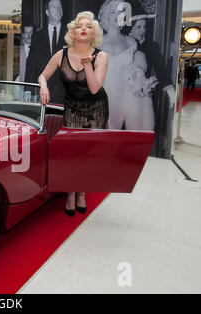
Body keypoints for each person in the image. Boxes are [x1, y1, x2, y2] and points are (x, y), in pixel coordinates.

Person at [38, 11, 109, 217]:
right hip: (73, 107)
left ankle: (81, 194)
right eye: (79, 26)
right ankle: (70, 194)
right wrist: (44, 86)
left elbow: (95, 88)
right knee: (73, 152)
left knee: (88, 153)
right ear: (73, 32)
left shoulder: (102, 56)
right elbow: (42, 75)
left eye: (88, 26)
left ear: (93, 32)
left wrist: (87, 64)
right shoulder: (61, 54)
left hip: (96, 107)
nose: (83, 29)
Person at [98, 0, 156, 131]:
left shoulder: (131, 42)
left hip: (125, 99)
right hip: (102, 99)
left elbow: (138, 68)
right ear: (106, 16)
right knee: (103, 139)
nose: (118, 15)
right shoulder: (96, 43)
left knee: (123, 137)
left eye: (120, 11)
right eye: (113, 12)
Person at [25, 0, 66, 104]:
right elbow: (31, 64)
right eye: (54, 7)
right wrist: (28, 90)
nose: (58, 9)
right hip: (42, 93)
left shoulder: (71, 34)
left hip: (65, 93)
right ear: (47, 12)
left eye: (60, 6)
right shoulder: (37, 36)